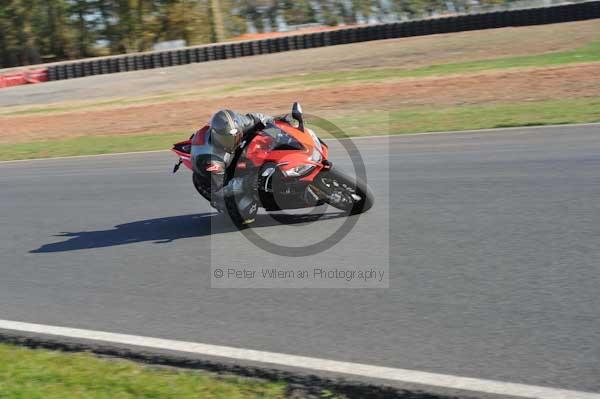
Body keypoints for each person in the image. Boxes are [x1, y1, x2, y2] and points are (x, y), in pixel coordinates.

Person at [191, 109, 277, 225]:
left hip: (230, 154)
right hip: (218, 180)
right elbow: (219, 191)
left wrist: (276, 123)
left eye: (235, 137)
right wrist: (245, 182)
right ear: (217, 136)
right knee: (245, 216)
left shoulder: (239, 123)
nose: (232, 142)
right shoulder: (213, 161)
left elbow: (260, 118)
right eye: (227, 140)